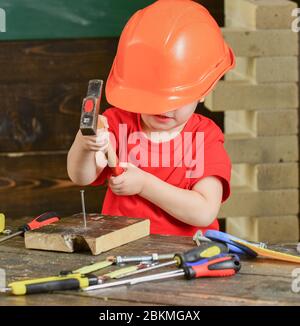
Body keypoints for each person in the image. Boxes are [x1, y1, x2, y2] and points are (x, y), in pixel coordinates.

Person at [67, 0, 235, 236]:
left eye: (174, 100)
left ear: (203, 92)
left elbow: (204, 212)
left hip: (186, 257)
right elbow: (81, 176)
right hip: (121, 250)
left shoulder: (204, 137)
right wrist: (84, 145)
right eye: (152, 97)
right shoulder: (116, 124)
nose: (164, 109)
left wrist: (144, 185)